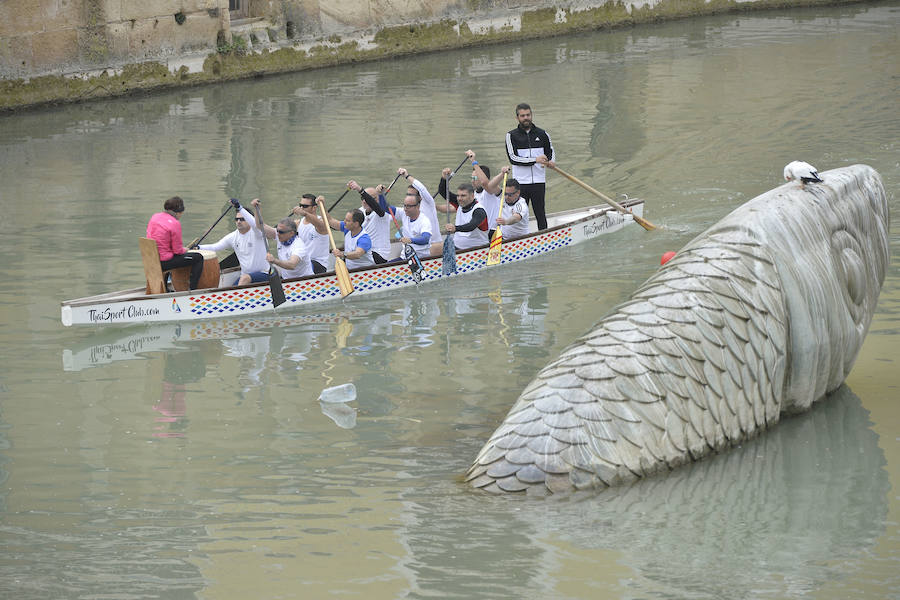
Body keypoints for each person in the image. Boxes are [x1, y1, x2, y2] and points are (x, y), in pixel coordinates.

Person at [505, 102, 555, 230]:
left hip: (539, 180)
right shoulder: (511, 136)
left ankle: (544, 236)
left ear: (531, 115)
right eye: (522, 116)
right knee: (520, 213)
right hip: (521, 182)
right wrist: (535, 160)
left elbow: (550, 151)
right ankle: (520, 237)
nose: (526, 118)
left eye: (528, 115)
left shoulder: (542, 134)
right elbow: (513, 159)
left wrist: (551, 161)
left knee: (540, 212)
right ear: (517, 118)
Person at [436, 149, 506, 240]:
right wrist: (444, 178)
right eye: (471, 177)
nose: (472, 180)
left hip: (493, 232)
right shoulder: (469, 196)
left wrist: (473, 161)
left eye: (475, 178)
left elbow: (484, 182)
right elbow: (444, 194)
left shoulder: (491, 191)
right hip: (475, 232)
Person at [198, 198, 270, 285]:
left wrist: (239, 207)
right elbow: (215, 247)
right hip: (245, 276)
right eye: (237, 219)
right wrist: (198, 247)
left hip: (264, 274)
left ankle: (239, 297)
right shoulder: (233, 237)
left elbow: (255, 223)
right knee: (237, 283)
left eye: (242, 219)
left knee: (244, 279)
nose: (239, 222)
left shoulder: (258, 233)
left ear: (249, 219)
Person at [146, 195, 204, 290]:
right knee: (198, 258)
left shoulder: (155, 217)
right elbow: (177, 251)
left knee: (175, 257)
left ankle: (164, 287)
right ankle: (193, 290)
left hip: (152, 259)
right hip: (163, 262)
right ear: (178, 212)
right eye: (181, 213)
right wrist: (184, 250)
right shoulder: (174, 223)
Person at [250, 198, 312, 279]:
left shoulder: (298, 246)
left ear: (292, 233)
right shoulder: (279, 235)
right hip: (287, 280)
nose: (278, 234)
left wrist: (274, 260)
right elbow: (260, 226)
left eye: (281, 232)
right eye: (278, 231)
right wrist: (257, 209)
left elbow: (292, 265)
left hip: (304, 281)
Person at [398, 167, 443, 255]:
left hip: (433, 245)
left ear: (420, 196)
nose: (408, 197)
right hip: (417, 246)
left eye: (411, 194)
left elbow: (422, 188)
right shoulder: (408, 207)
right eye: (407, 194)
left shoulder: (428, 201)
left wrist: (407, 176)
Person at [348, 180, 392, 263]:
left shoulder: (383, 212)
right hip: (365, 250)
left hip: (379, 255)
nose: (364, 201)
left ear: (377, 199)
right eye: (362, 198)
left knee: (353, 257)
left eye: (368, 198)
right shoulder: (360, 212)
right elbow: (344, 225)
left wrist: (359, 189)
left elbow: (374, 205)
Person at [291, 193, 331, 274]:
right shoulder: (298, 223)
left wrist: (305, 214)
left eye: (305, 206)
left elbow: (321, 225)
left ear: (314, 208)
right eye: (300, 205)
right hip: (302, 261)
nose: (302, 208)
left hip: (318, 264)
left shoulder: (322, 223)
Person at [443, 182, 488, 251]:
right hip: (457, 249)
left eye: (463, 196)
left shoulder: (479, 211)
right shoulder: (460, 203)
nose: (459, 198)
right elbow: (443, 191)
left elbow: (471, 226)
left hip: (478, 251)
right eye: (458, 195)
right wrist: (444, 177)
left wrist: (455, 228)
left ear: (472, 196)